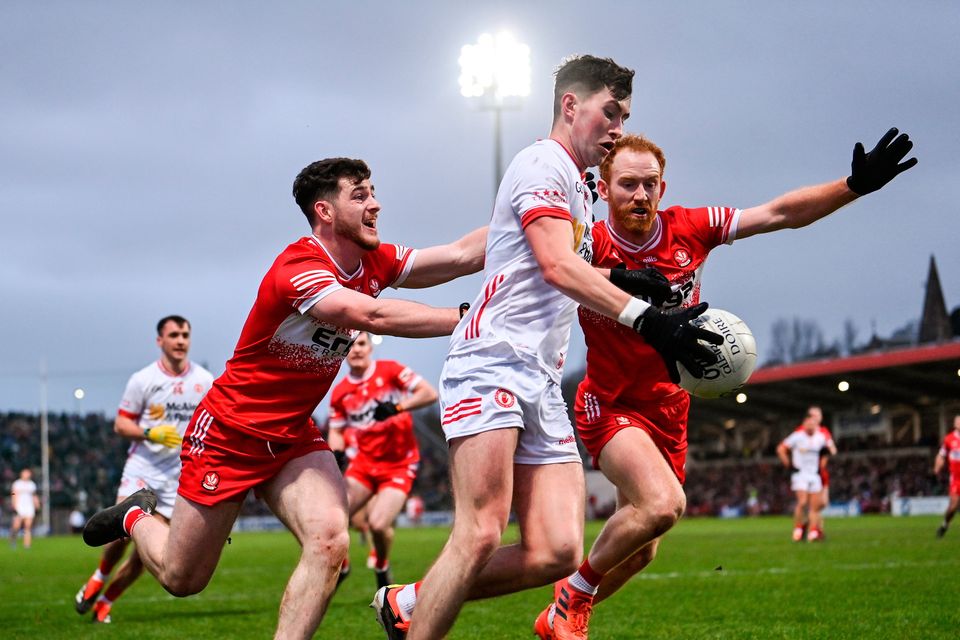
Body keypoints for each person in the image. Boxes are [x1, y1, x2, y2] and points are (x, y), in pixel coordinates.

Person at [372, 54, 722, 640]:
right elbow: (557, 267)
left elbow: (534, 262)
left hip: (539, 376)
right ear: (570, 105)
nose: (617, 127)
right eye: (610, 112)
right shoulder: (542, 164)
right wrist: (648, 319)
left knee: (558, 549)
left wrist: (625, 281)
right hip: (492, 361)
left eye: (626, 115)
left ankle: (410, 602)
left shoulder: (582, 189)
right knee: (480, 531)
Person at [531, 127, 916, 638]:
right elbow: (547, 273)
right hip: (610, 403)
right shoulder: (586, 244)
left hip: (670, 407)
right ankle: (571, 602)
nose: (640, 194)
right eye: (627, 184)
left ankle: (560, 612)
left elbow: (777, 214)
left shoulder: (692, 227)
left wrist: (852, 186)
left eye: (650, 184)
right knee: (664, 504)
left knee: (643, 548)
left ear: (663, 189)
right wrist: (616, 279)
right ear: (603, 190)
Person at [81, 157, 485, 639]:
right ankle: (132, 515)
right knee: (182, 577)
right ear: (325, 211)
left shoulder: (375, 260)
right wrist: (468, 317)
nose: (375, 203)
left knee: (331, 542)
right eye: (359, 194)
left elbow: (462, 255)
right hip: (231, 430)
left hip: (292, 433)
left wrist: (532, 215)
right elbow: (370, 316)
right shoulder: (297, 267)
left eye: (373, 191)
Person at [74, 315, 214, 623]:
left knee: (147, 552)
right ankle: (99, 576)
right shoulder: (143, 379)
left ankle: (105, 603)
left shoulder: (205, 381)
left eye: (185, 335)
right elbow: (121, 423)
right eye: (174, 335)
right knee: (119, 533)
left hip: (178, 476)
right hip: (144, 468)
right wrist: (150, 433)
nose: (181, 341)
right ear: (160, 341)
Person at [327, 331, 438, 589]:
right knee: (332, 518)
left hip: (399, 463)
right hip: (363, 465)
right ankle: (342, 566)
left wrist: (398, 407)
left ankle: (381, 567)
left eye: (361, 344)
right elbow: (336, 430)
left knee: (377, 524)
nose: (356, 350)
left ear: (370, 347)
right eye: (351, 346)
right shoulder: (341, 392)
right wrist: (337, 453)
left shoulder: (390, 371)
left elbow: (429, 393)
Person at [779, 406, 838, 542]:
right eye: (813, 417)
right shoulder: (798, 434)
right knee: (803, 501)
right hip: (800, 474)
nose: (815, 420)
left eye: (818, 416)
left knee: (817, 505)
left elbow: (831, 449)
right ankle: (799, 528)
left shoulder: (822, 434)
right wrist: (788, 464)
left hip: (815, 474)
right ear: (806, 421)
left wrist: (825, 456)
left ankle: (813, 531)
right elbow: (781, 448)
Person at [934, 415, 960, 538]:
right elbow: (941, 455)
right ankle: (945, 524)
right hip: (956, 478)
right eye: (958, 422)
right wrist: (938, 465)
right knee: (953, 506)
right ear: (955, 424)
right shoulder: (949, 439)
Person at [9, 468, 39, 549]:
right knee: (16, 526)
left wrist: (37, 504)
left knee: (28, 526)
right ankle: (13, 540)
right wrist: (14, 504)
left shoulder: (32, 484)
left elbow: (34, 495)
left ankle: (27, 545)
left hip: (29, 507)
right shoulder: (17, 484)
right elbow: (13, 493)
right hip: (19, 507)